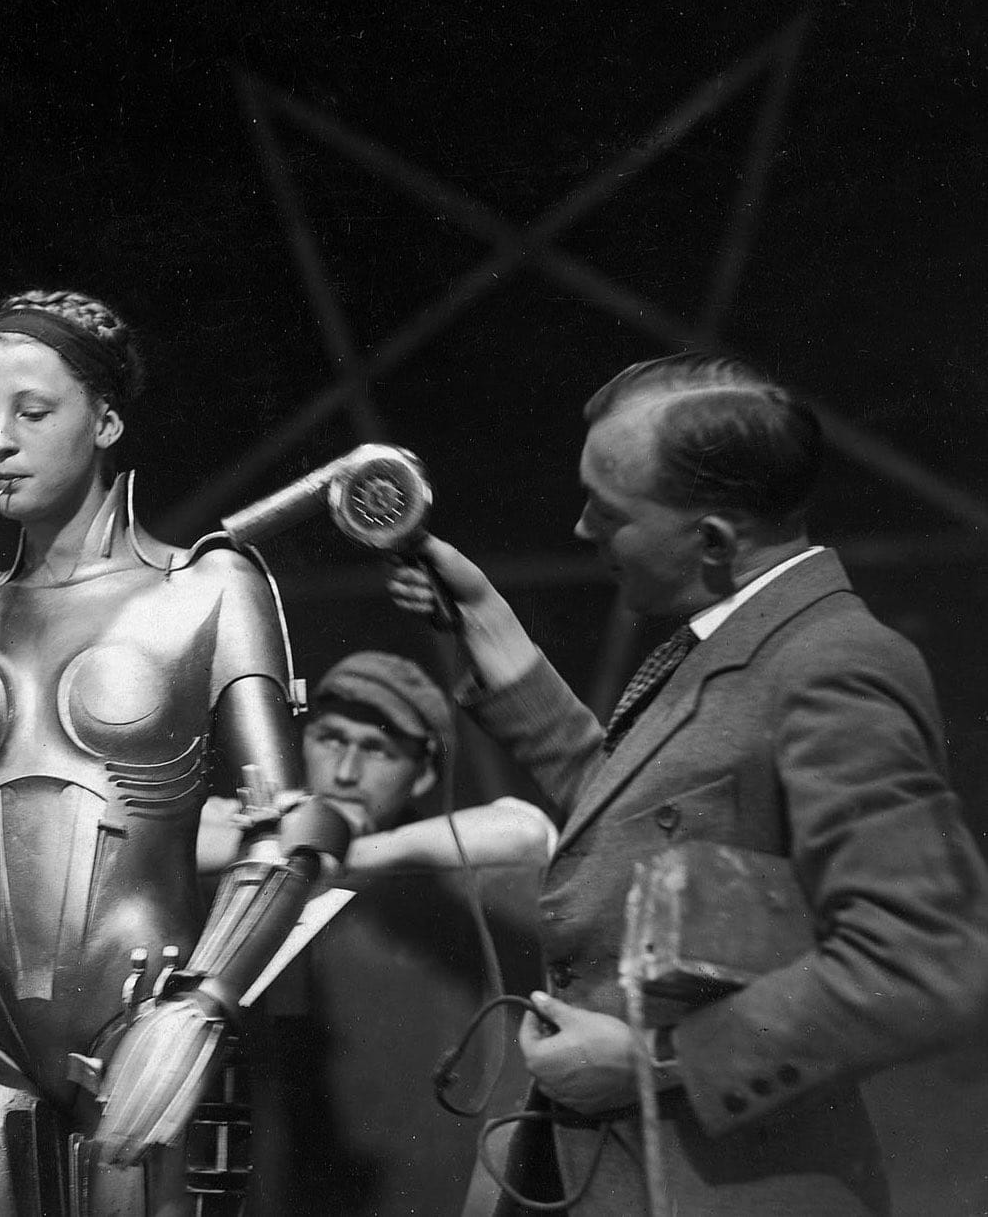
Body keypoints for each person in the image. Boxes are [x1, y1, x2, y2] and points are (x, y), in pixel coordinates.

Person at [386, 353, 988, 1216]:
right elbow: (638, 817)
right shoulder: (737, 642)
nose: (583, 528)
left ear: (712, 539)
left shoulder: (834, 665)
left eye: (609, 509)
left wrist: (653, 1059)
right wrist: (494, 632)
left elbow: (928, 960)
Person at [0, 290, 355, 1217]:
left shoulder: (208, 585)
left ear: (106, 419)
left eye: (34, 412)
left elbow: (286, 829)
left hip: (144, 1017)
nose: (0, 441)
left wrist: (201, 1007)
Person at [198, 650, 553, 1215]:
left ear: (426, 773)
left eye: (377, 749)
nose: (344, 771)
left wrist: (346, 848)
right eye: (330, 738)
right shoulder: (255, 825)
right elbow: (180, 837)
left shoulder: (430, 861)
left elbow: (529, 831)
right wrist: (277, 842)